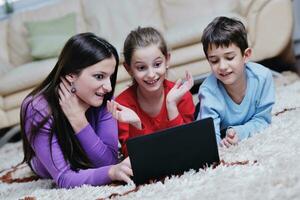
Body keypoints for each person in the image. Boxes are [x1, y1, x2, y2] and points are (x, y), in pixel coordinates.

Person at [20, 33, 133, 188]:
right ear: (71, 75)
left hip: (85, 159)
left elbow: (108, 162)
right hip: (45, 167)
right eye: (99, 76)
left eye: (110, 77)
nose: (109, 87)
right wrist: (110, 173)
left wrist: (78, 121)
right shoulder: (37, 109)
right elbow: (64, 177)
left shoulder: (104, 97)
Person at [107, 27, 195, 156]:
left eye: (157, 64)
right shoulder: (122, 105)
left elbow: (189, 146)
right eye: (141, 67)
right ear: (129, 69)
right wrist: (136, 124)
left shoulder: (182, 96)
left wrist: (171, 106)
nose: (151, 74)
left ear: (167, 60)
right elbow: (132, 156)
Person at [197, 16, 275, 147]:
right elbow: (209, 139)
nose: (222, 66)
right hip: (206, 112)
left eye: (229, 57)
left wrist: (240, 132)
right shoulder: (208, 91)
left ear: (246, 55)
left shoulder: (262, 77)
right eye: (214, 61)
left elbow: (263, 119)